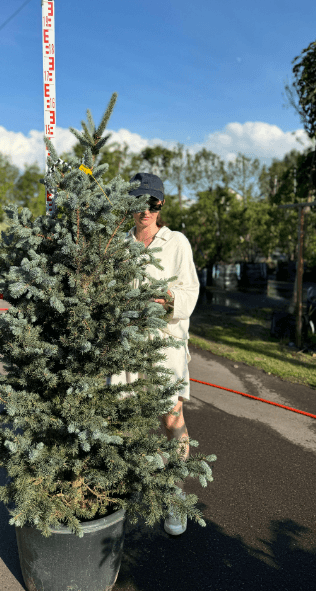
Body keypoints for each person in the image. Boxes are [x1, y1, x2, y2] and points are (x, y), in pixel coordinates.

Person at [107, 172, 200, 536]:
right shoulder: (119, 245)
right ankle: (126, 490)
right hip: (128, 348)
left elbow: (190, 293)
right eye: (138, 202)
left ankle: (175, 502)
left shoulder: (176, 243)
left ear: (161, 205)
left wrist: (171, 299)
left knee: (170, 419)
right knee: (126, 422)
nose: (145, 209)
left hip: (165, 347)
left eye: (152, 202)